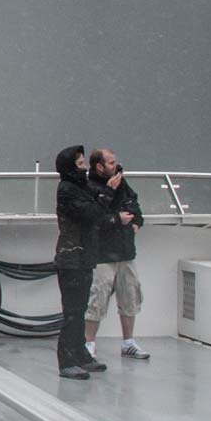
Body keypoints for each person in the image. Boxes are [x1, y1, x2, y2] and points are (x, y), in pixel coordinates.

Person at [53, 145, 130, 379]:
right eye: (79, 164)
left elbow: (97, 206)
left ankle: (80, 354)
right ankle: (67, 360)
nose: (84, 167)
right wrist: (107, 192)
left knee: (80, 308)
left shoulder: (79, 186)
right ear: (70, 168)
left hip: (83, 256)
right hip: (71, 257)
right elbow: (91, 213)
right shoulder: (67, 189)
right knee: (73, 312)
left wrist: (110, 191)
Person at [85, 148, 149, 360]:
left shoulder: (123, 183)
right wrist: (109, 193)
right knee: (97, 297)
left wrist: (136, 224)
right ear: (99, 166)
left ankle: (128, 342)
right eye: (110, 162)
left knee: (130, 295)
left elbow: (135, 206)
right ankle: (89, 343)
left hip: (125, 251)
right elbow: (92, 216)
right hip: (101, 253)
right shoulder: (90, 186)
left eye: (115, 161)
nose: (116, 165)